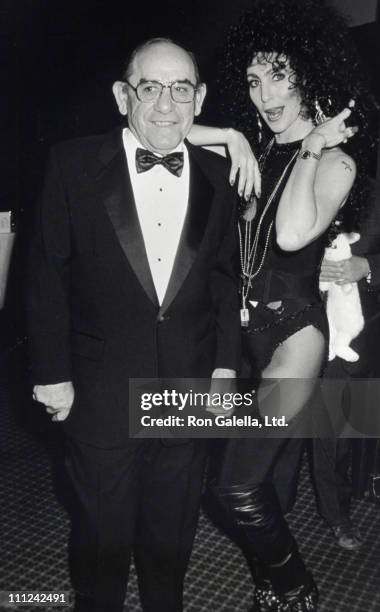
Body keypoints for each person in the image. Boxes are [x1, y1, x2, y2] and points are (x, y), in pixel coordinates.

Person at [26, 38, 242, 612]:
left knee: (172, 531)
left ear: (199, 100)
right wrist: (51, 371)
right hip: (99, 388)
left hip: (191, 382)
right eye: (151, 88)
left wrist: (224, 365)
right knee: (103, 532)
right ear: (124, 96)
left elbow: (223, 279)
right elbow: (45, 272)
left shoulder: (218, 176)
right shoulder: (72, 164)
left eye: (180, 90)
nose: (166, 105)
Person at [189, 0, 377, 609]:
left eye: (279, 74)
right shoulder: (256, 152)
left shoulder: (337, 161)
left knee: (234, 486)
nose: (265, 92)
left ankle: (297, 587)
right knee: (252, 481)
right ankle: (275, 584)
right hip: (246, 337)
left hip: (297, 337)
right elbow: (157, 128)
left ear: (308, 76)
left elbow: (294, 233)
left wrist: (316, 144)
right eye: (252, 79)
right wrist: (228, 134)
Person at [312, 179, 380, 550]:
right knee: (331, 428)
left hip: (371, 317)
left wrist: (369, 266)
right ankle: (337, 514)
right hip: (325, 314)